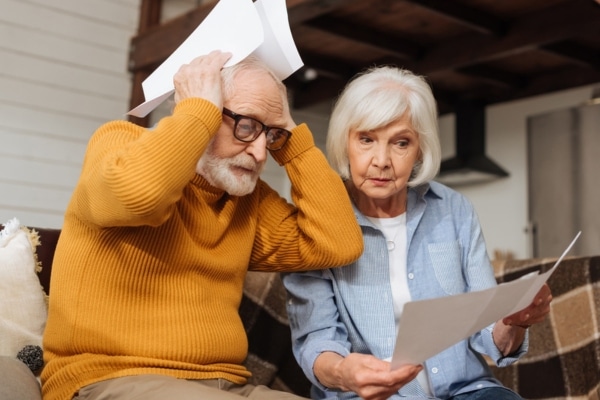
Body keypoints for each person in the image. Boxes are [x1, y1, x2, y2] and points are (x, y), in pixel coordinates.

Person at [41, 50, 364, 400]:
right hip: (110, 376)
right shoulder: (119, 143)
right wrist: (196, 110)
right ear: (203, 106)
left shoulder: (246, 200)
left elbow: (338, 242)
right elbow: (141, 195)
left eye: (269, 135)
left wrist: (293, 143)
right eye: (246, 125)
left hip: (228, 385)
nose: (259, 153)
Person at [282, 66, 552, 400]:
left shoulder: (454, 210)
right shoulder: (316, 220)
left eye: (400, 143)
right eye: (366, 139)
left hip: (467, 390)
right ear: (345, 141)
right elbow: (316, 339)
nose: (381, 160)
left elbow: (487, 329)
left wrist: (515, 321)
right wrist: (345, 373)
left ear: (420, 150)